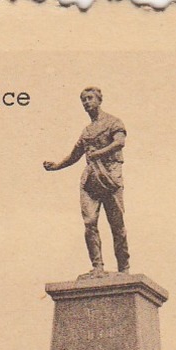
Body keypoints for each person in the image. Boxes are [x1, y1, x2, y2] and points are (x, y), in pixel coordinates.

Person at [43, 87, 129, 276]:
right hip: (91, 180)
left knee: (116, 223)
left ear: (99, 100)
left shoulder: (113, 122)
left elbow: (120, 142)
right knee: (90, 222)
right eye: (83, 100)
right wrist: (56, 165)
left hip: (111, 176)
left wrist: (99, 152)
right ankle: (97, 266)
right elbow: (75, 155)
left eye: (90, 98)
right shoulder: (87, 131)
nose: (86, 102)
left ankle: (124, 268)